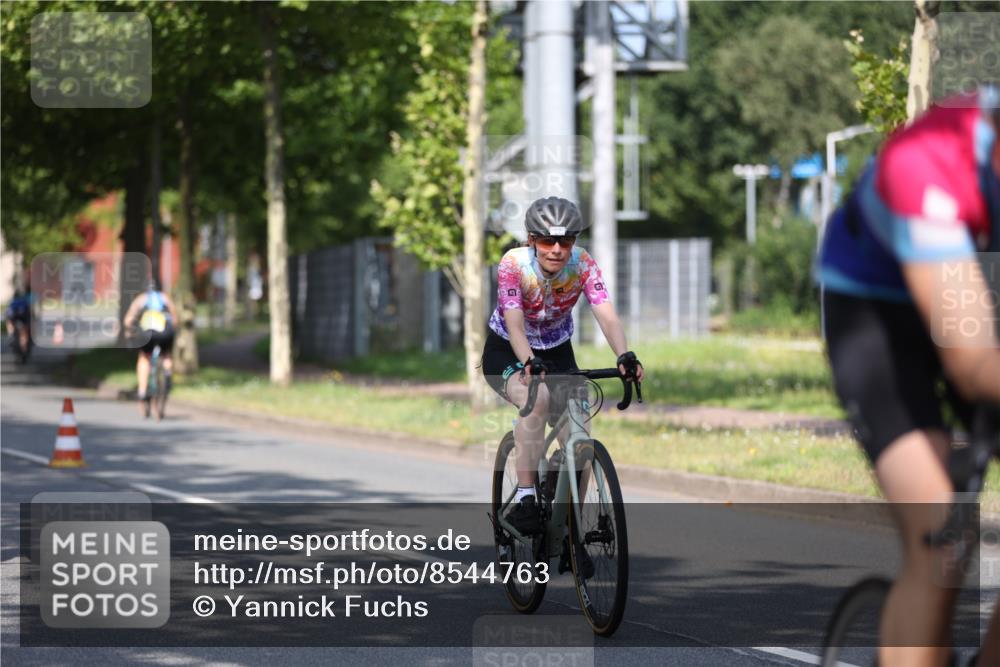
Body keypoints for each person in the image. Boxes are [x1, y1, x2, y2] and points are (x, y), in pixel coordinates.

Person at [817, 87, 1000, 667]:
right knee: (942, 540)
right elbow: (973, 364)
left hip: (980, 293)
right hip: (875, 311)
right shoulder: (929, 159)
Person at [481, 196, 644, 536]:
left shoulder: (583, 264)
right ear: (532, 241)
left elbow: (606, 314)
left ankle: (570, 529)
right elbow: (513, 325)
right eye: (547, 240)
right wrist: (528, 362)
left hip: (557, 350)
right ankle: (526, 497)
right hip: (509, 351)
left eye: (565, 241)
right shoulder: (513, 264)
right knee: (536, 400)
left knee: (580, 436)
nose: (556, 248)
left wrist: (624, 355)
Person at [124, 279, 179, 415]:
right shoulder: (165, 298)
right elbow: (175, 319)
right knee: (166, 354)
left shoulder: (141, 299)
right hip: (165, 332)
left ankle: (142, 391)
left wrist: (130, 331)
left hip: (147, 333)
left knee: (144, 357)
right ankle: (167, 371)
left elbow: (128, 320)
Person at [5, 287, 32, 357]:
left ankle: (10, 334)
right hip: (24, 317)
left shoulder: (13, 302)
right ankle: (24, 347)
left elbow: (8, 314)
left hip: (14, 317)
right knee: (24, 332)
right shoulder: (25, 301)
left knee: (10, 323)